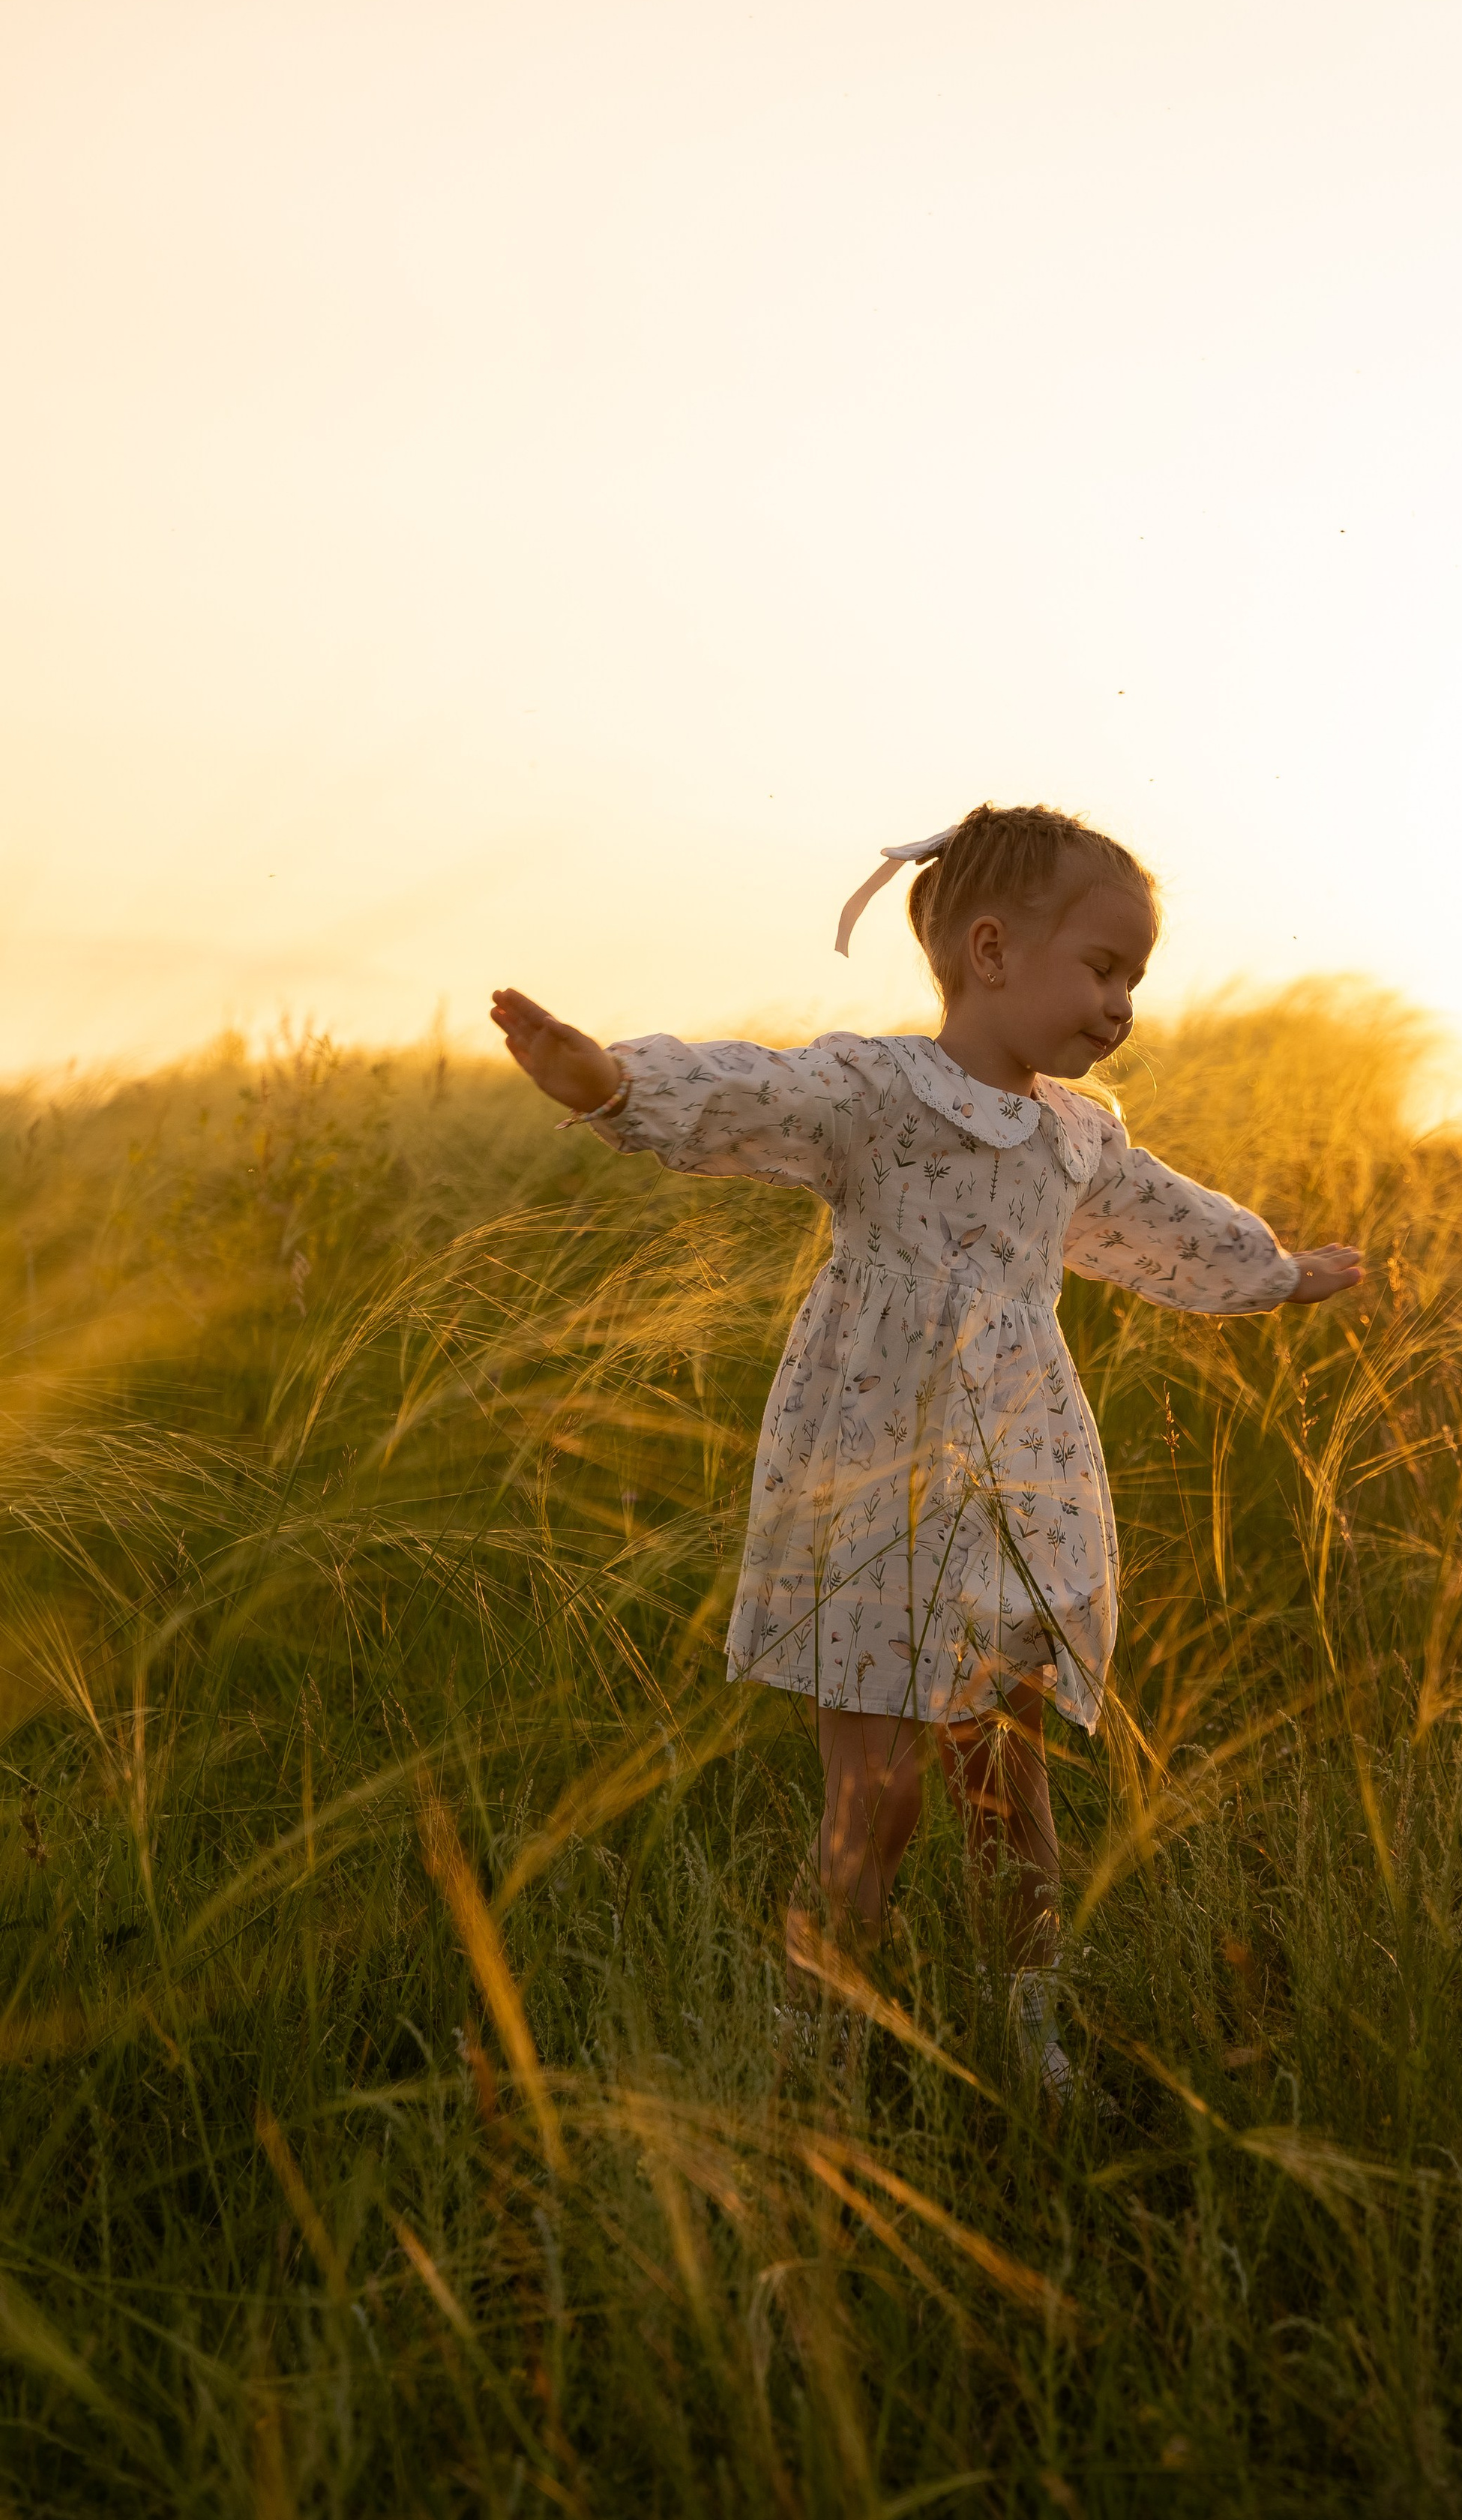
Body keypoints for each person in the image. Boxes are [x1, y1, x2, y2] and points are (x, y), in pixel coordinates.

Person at [491, 802, 1363, 2099]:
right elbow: (758, 1093)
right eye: (1104, 967)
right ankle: (823, 2030)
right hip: (874, 1465)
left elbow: (1156, 1219)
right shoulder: (876, 1094)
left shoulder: (1078, 1132)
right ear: (995, 949)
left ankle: (1029, 2017)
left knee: (1010, 1770)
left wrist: (1278, 1273)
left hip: (1018, 1465)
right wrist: (617, 1083)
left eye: (1136, 976)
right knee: (881, 1789)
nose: (1122, 1001)